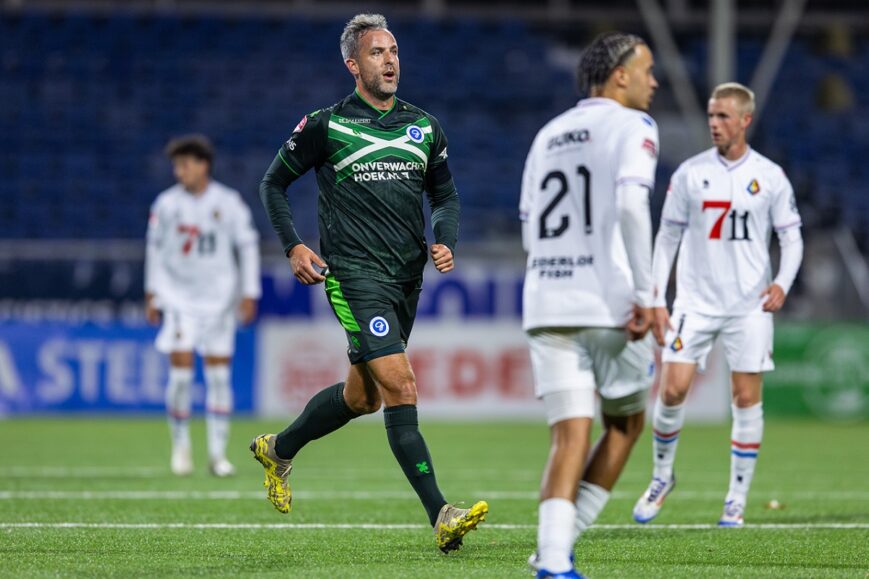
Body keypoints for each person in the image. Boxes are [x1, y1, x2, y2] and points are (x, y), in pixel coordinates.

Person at [252, 13, 487, 553]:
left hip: (407, 279)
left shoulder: (423, 127)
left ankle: (278, 448)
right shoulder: (326, 125)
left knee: (364, 398)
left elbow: (445, 196)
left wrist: (444, 237)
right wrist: (294, 245)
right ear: (353, 64)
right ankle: (441, 513)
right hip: (354, 277)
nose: (390, 60)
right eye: (378, 52)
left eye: (395, 51)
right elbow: (272, 184)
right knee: (402, 386)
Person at [632, 82, 803, 527]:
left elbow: (791, 236)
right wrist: (657, 297)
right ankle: (662, 477)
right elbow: (666, 236)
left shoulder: (770, 176)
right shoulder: (690, 173)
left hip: (749, 305)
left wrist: (782, 281)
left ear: (745, 120)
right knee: (671, 389)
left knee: (746, 398)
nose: (714, 123)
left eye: (723, 116)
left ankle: (736, 498)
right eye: (711, 115)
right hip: (695, 301)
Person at [520, 32, 659, 578]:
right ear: (619, 75)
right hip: (610, 304)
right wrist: (647, 294)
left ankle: (553, 558)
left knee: (568, 436)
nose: (655, 81)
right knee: (623, 425)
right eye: (647, 69)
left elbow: (531, 227)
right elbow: (630, 203)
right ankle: (562, 543)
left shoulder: (548, 133)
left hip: (548, 300)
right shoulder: (634, 126)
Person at [145, 134, 261, 477]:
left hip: (220, 300)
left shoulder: (228, 202)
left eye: (185, 165)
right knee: (180, 377)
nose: (179, 172)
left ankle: (216, 455)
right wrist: (152, 292)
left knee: (219, 377)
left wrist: (249, 292)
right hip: (178, 298)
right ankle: (181, 448)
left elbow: (248, 247)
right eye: (176, 166)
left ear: (203, 165)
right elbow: (153, 250)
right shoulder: (165, 204)